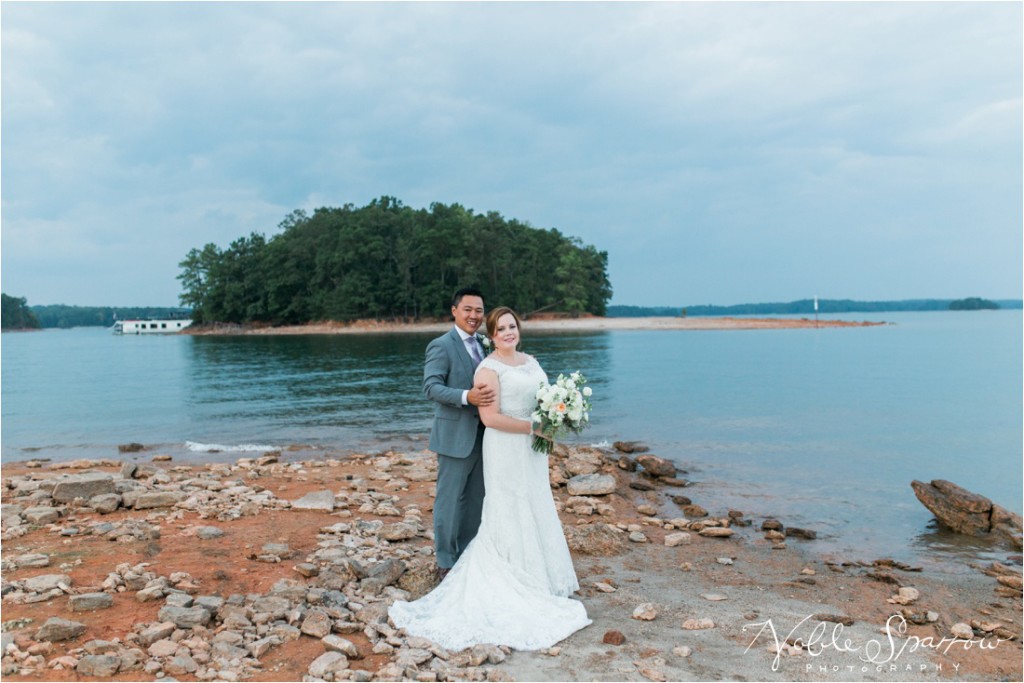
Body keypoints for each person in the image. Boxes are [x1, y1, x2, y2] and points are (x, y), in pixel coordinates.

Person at [390, 307, 591, 651]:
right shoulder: (488, 368)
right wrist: (534, 427)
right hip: (506, 447)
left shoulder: (531, 361)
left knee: (535, 501)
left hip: (532, 450)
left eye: (513, 326)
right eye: (501, 329)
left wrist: (556, 417)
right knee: (506, 505)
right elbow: (491, 418)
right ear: (492, 336)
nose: (509, 332)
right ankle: (484, 570)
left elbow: (542, 401)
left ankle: (539, 576)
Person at [422, 288, 495, 581]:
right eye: (468, 309)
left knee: (476, 499)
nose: (474, 316)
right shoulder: (441, 346)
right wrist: (467, 397)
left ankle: (466, 554)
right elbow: (431, 387)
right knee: (449, 500)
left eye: (479, 310)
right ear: (454, 311)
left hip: (486, 435)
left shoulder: (485, 344)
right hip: (455, 436)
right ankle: (445, 560)